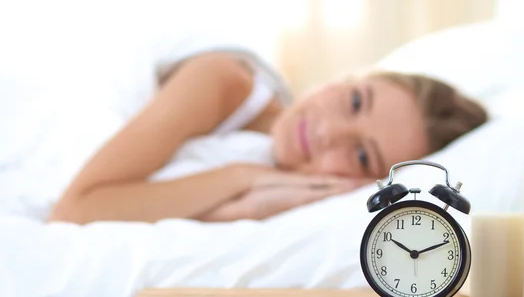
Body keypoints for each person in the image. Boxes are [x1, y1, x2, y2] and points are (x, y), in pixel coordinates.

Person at [48, 50, 487, 224]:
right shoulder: (223, 80)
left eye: (359, 154)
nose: (328, 131)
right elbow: (74, 209)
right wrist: (240, 179)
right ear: (346, 78)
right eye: (354, 101)